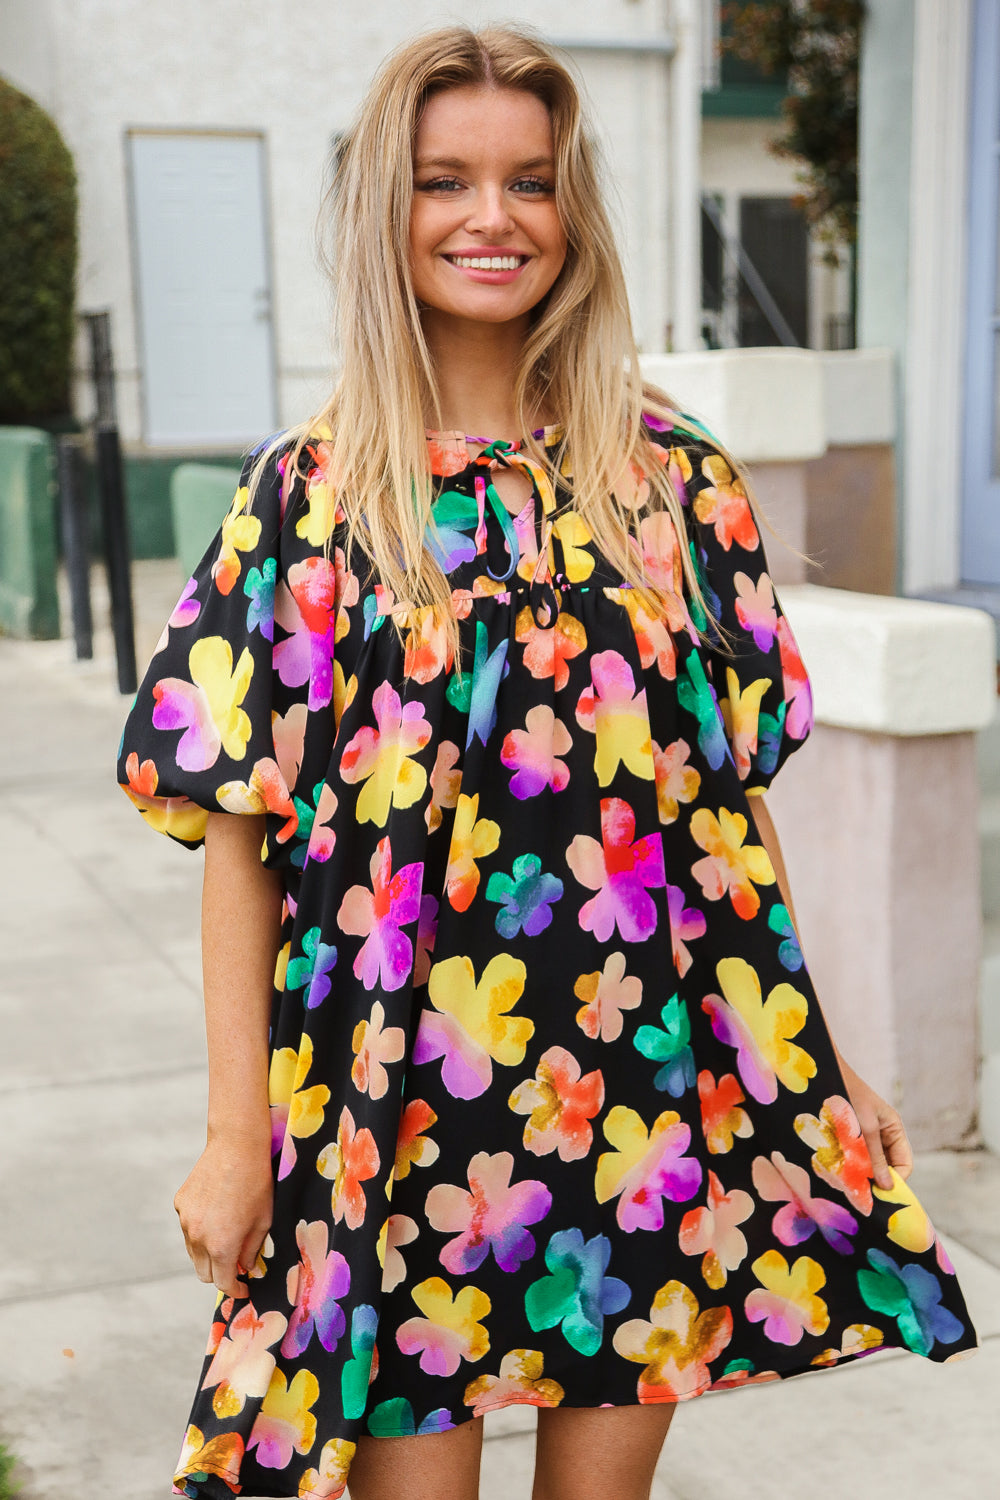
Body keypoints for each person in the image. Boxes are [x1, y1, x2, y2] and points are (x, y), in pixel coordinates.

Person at [118, 24, 977, 1500]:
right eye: (445, 180)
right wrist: (234, 1135)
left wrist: (817, 1051)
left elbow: (722, 811)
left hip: (636, 1088)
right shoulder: (310, 499)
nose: (492, 217)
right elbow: (241, 835)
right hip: (392, 1097)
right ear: (386, 207)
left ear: (573, 210)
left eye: (531, 181)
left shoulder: (671, 481)